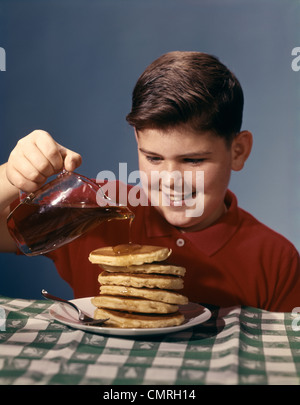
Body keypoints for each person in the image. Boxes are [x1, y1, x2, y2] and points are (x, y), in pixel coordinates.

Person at [0, 51, 299, 312]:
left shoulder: (275, 258)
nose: (170, 180)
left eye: (192, 160)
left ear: (238, 151)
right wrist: (12, 176)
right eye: (154, 158)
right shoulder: (98, 209)